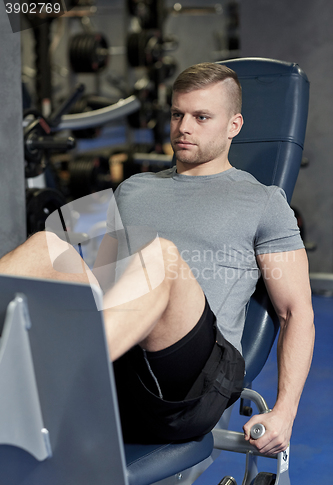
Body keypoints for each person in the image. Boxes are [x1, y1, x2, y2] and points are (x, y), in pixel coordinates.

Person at [0, 63, 314, 455]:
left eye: (201, 117)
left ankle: (55, 377)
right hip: (123, 371)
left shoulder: (265, 202)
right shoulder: (135, 189)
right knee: (45, 245)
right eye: (177, 114)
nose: (184, 127)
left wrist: (284, 411)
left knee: (160, 255)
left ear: (234, 125)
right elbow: (76, 248)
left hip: (193, 386)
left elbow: (296, 312)